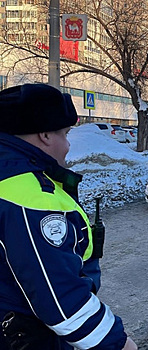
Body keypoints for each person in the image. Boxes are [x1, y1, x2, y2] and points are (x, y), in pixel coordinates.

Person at [0, 84, 137, 350]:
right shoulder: (27, 195)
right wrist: (117, 343)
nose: (68, 145)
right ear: (45, 135)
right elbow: (57, 294)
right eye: (64, 133)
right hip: (24, 337)